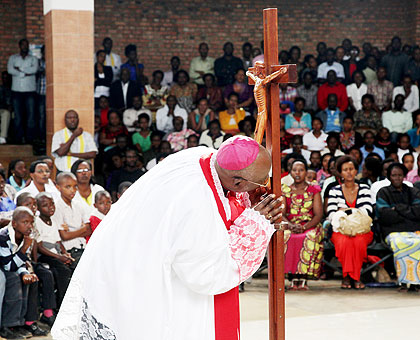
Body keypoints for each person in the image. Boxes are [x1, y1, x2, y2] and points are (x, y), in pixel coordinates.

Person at [52, 136, 279, 340]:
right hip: (140, 275)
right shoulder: (197, 203)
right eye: (259, 183)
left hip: (130, 252)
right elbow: (205, 274)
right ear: (238, 183)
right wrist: (255, 224)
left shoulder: (199, 155)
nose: (261, 188)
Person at [326, 156, 374, 289]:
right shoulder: (334, 190)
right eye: (345, 169)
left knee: (358, 241)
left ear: (356, 171)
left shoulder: (364, 188)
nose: (348, 172)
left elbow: (367, 212)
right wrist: (354, 212)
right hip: (340, 229)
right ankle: (349, 276)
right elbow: (331, 215)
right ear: (340, 173)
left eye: (351, 169)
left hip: (361, 229)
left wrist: (345, 211)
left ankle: (353, 276)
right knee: (344, 241)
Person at [0, 207, 47, 337]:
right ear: (14, 223)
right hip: (4, 269)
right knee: (15, 280)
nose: (29, 226)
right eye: (25, 222)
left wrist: (25, 273)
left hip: (12, 268)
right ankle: (8, 326)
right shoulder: (3, 237)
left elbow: (21, 262)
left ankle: (20, 323)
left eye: (31, 222)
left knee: (30, 279)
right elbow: (8, 265)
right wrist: (25, 247)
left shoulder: (26, 237)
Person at [376, 163, 420, 291]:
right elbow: (385, 215)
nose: (397, 178)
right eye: (394, 175)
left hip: (414, 229)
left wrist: (398, 208)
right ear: (389, 176)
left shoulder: (413, 191)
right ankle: (405, 282)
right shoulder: (383, 192)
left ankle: (416, 282)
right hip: (393, 231)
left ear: (404, 176)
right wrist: (408, 213)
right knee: (400, 242)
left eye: (400, 175)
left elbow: (418, 212)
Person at [282, 160, 323, 290]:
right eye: (295, 170)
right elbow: (281, 213)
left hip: (309, 225)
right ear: (290, 172)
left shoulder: (314, 190)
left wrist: (304, 227)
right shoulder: (285, 190)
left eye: (301, 170)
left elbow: (318, 215)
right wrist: (290, 225)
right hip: (290, 225)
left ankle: (304, 277)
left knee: (309, 236)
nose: (298, 173)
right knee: (286, 236)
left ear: (306, 172)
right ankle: (291, 276)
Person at [35, 192, 73, 307]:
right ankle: (63, 304)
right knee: (62, 270)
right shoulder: (37, 221)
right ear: (38, 208)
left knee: (73, 266)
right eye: (45, 205)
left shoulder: (53, 220)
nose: (50, 207)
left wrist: (65, 254)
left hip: (56, 253)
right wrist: (59, 257)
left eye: (52, 204)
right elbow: (40, 247)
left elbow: (58, 242)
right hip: (45, 254)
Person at [55, 172, 92, 270]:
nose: (73, 190)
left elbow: (89, 229)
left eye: (75, 186)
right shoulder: (56, 207)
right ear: (58, 187)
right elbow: (64, 236)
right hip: (70, 249)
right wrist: (82, 229)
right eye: (68, 187)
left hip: (84, 247)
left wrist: (71, 231)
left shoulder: (79, 204)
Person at [7, 38, 38, 144]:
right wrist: (25, 72)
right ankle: (18, 139)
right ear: (19, 46)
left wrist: (19, 69)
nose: (25, 47)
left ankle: (30, 139)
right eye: (23, 45)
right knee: (18, 116)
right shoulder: (13, 58)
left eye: (26, 45)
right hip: (16, 91)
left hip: (30, 91)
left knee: (30, 116)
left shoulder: (33, 59)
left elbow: (34, 70)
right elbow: (10, 70)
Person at [0, 71, 12, 144]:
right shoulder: (1, 89)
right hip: (2, 108)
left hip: (9, 110)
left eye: (6, 78)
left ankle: (2, 137)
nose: (5, 79)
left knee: (6, 114)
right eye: (3, 78)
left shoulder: (14, 88)